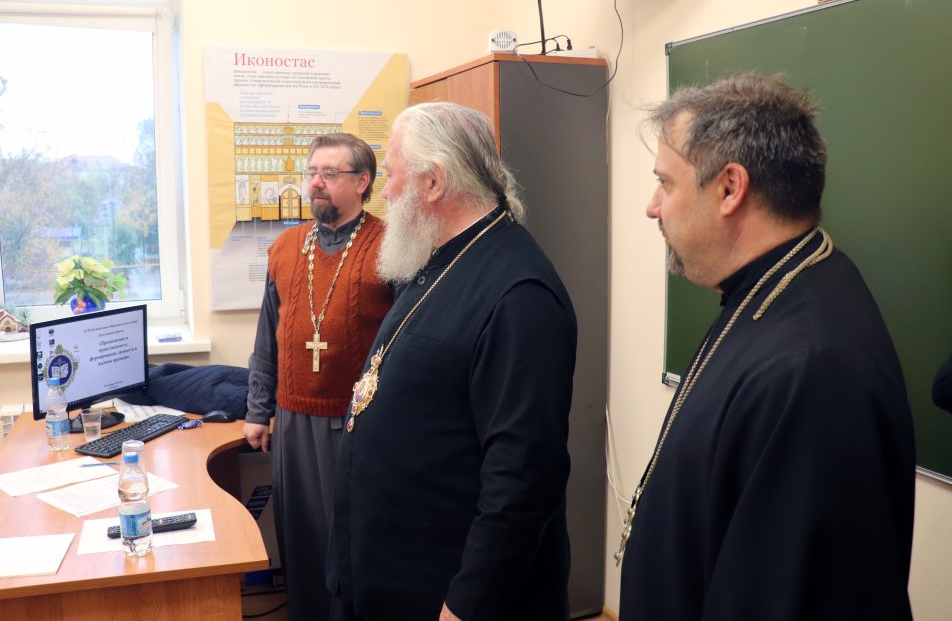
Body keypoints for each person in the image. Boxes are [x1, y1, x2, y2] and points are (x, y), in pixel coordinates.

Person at [618, 73, 916, 620]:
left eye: (666, 183)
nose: (653, 207)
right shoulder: (764, 292)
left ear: (730, 188)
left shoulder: (813, 368)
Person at [326, 102, 577, 621]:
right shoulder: (440, 259)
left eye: (392, 174)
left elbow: (523, 477)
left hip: (449, 593)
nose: (386, 192)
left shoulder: (519, 295)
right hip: (396, 575)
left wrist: (467, 604)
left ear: (434, 182)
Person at [244, 133, 392, 621]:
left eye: (329, 174)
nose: (315, 183)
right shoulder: (286, 248)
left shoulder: (390, 246)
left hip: (357, 423)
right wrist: (257, 411)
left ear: (362, 181)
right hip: (292, 420)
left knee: (347, 544)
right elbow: (268, 337)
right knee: (301, 540)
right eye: (312, 173)